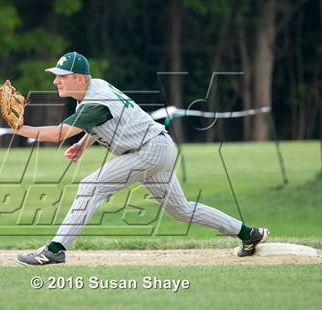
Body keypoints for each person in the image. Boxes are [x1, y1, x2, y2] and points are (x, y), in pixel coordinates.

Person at [15, 51, 269, 266]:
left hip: (148, 151)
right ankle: (250, 234)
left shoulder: (95, 100)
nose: (56, 81)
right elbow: (105, 120)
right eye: (56, 77)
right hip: (158, 147)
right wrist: (83, 142)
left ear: (79, 78)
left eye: (61, 76)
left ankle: (56, 249)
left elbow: (59, 133)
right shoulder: (97, 88)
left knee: (90, 187)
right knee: (181, 210)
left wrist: (20, 128)